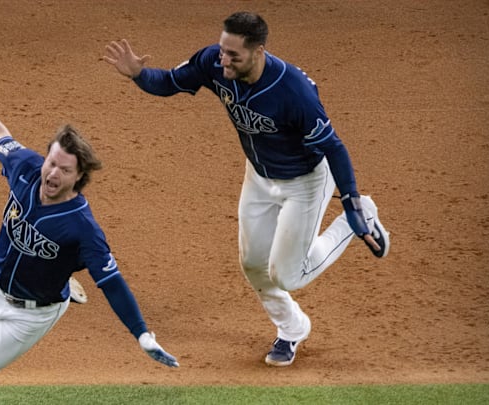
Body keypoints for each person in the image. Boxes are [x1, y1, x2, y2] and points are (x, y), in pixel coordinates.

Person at [102, 11, 389, 367]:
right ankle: (292, 328)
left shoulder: (293, 92)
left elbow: (334, 146)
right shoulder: (213, 61)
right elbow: (170, 82)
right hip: (258, 175)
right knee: (253, 263)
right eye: (223, 50)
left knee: (287, 274)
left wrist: (350, 203)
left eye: (233, 55)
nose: (223, 59)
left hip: (306, 181)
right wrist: (138, 75)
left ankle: (357, 220)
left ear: (258, 52)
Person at [0, 56, 178, 405]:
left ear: (78, 177)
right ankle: (59, 275)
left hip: (29, 314)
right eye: (51, 162)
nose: (52, 173)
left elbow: (112, 283)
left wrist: (142, 335)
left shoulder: (83, 229)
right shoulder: (27, 169)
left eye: (63, 169)